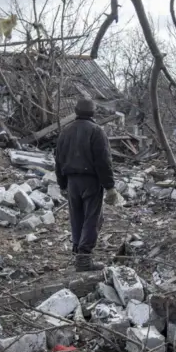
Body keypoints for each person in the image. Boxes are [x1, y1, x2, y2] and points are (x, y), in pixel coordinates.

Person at [55, 98, 119, 271]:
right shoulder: (96, 131)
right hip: (90, 181)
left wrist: (61, 184)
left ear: (76, 111)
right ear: (93, 113)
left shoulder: (65, 132)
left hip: (71, 181)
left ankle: (78, 253)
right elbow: (103, 161)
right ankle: (84, 259)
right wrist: (110, 187)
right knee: (93, 218)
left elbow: (58, 160)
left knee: (77, 218)